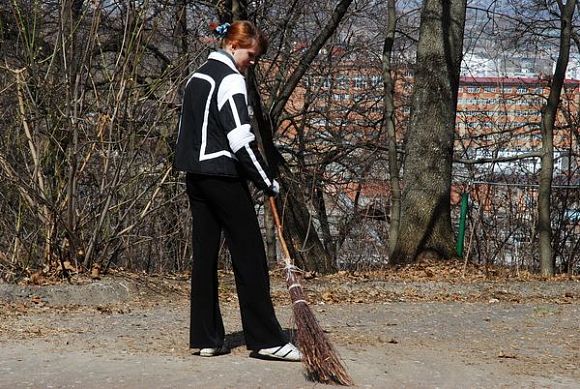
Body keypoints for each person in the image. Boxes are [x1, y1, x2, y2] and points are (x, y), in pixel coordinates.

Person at [173, 20, 301, 362]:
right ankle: (266, 339)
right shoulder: (230, 80)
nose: (253, 61)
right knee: (250, 255)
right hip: (221, 177)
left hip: (195, 176)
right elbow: (240, 140)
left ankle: (206, 338)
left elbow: (186, 131)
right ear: (233, 46)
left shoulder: (197, 76)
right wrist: (266, 181)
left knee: (204, 256)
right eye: (251, 54)